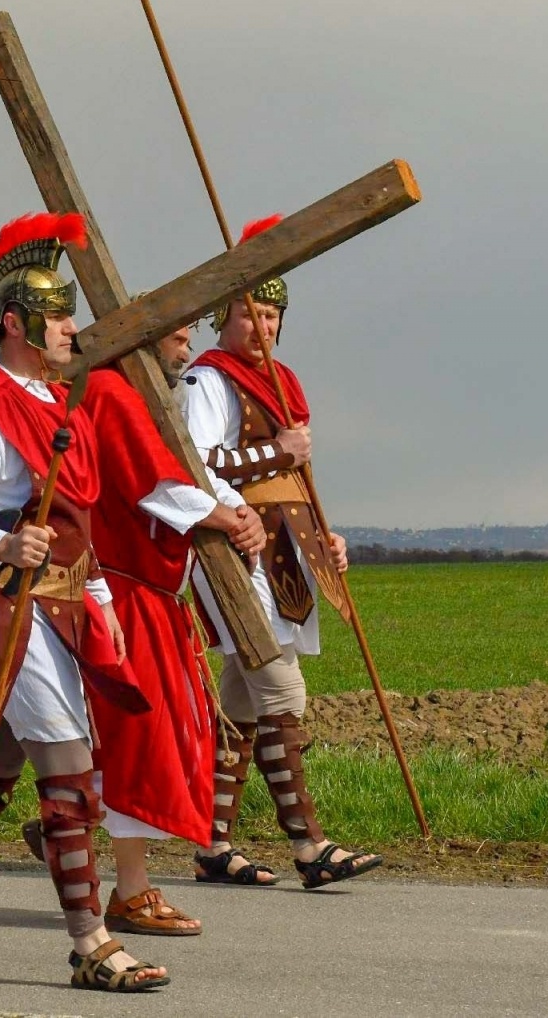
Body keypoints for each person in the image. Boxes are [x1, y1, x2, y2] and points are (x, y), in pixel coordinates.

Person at [0, 212, 168, 992]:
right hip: (5, 611)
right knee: (70, 774)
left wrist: (102, 599)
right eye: (58, 316)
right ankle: (92, 943)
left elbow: (75, 522)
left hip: (62, 611)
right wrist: (0, 543)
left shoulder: (52, 406)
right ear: (16, 323)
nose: (72, 329)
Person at [21, 326, 266, 935]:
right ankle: (127, 889)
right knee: (136, 742)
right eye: (178, 339)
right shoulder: (112, 392)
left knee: (123, 742)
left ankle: (68, 829)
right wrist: (228, 520)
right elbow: (156, 486)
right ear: (145, 339)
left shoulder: (135, 399)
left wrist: (237, 514)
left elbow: (185, 477)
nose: (185, 352)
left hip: (139, 595)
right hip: (122, 594)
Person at [184, 215, 384, 890]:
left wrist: (324, 539)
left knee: (244, 698)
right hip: (231, 549)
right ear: (224, 316)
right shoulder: (206, 381)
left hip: (285, 553)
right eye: (248, 312)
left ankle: (213, 842)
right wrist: (279, 451)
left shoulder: (283, 384)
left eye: (270, 314)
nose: (260, 326)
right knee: (280, 687)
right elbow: (197, 465)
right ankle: (309, 845)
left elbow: (296, 479)